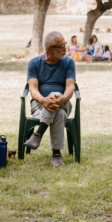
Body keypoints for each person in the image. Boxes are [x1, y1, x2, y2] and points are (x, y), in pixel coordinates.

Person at [24, 31, 76, 167]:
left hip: (64, 103)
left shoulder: (68, 62)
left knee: (56, 96)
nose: (64, 48)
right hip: (39, 106)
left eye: (64, 44)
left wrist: (62, 98)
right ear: (49, 49)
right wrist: (44, 100)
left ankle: (37, 134)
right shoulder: (34, 63)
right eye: (60, 46)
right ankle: (56, 155)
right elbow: (33, 89)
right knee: (59, 113)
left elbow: (71, 86)